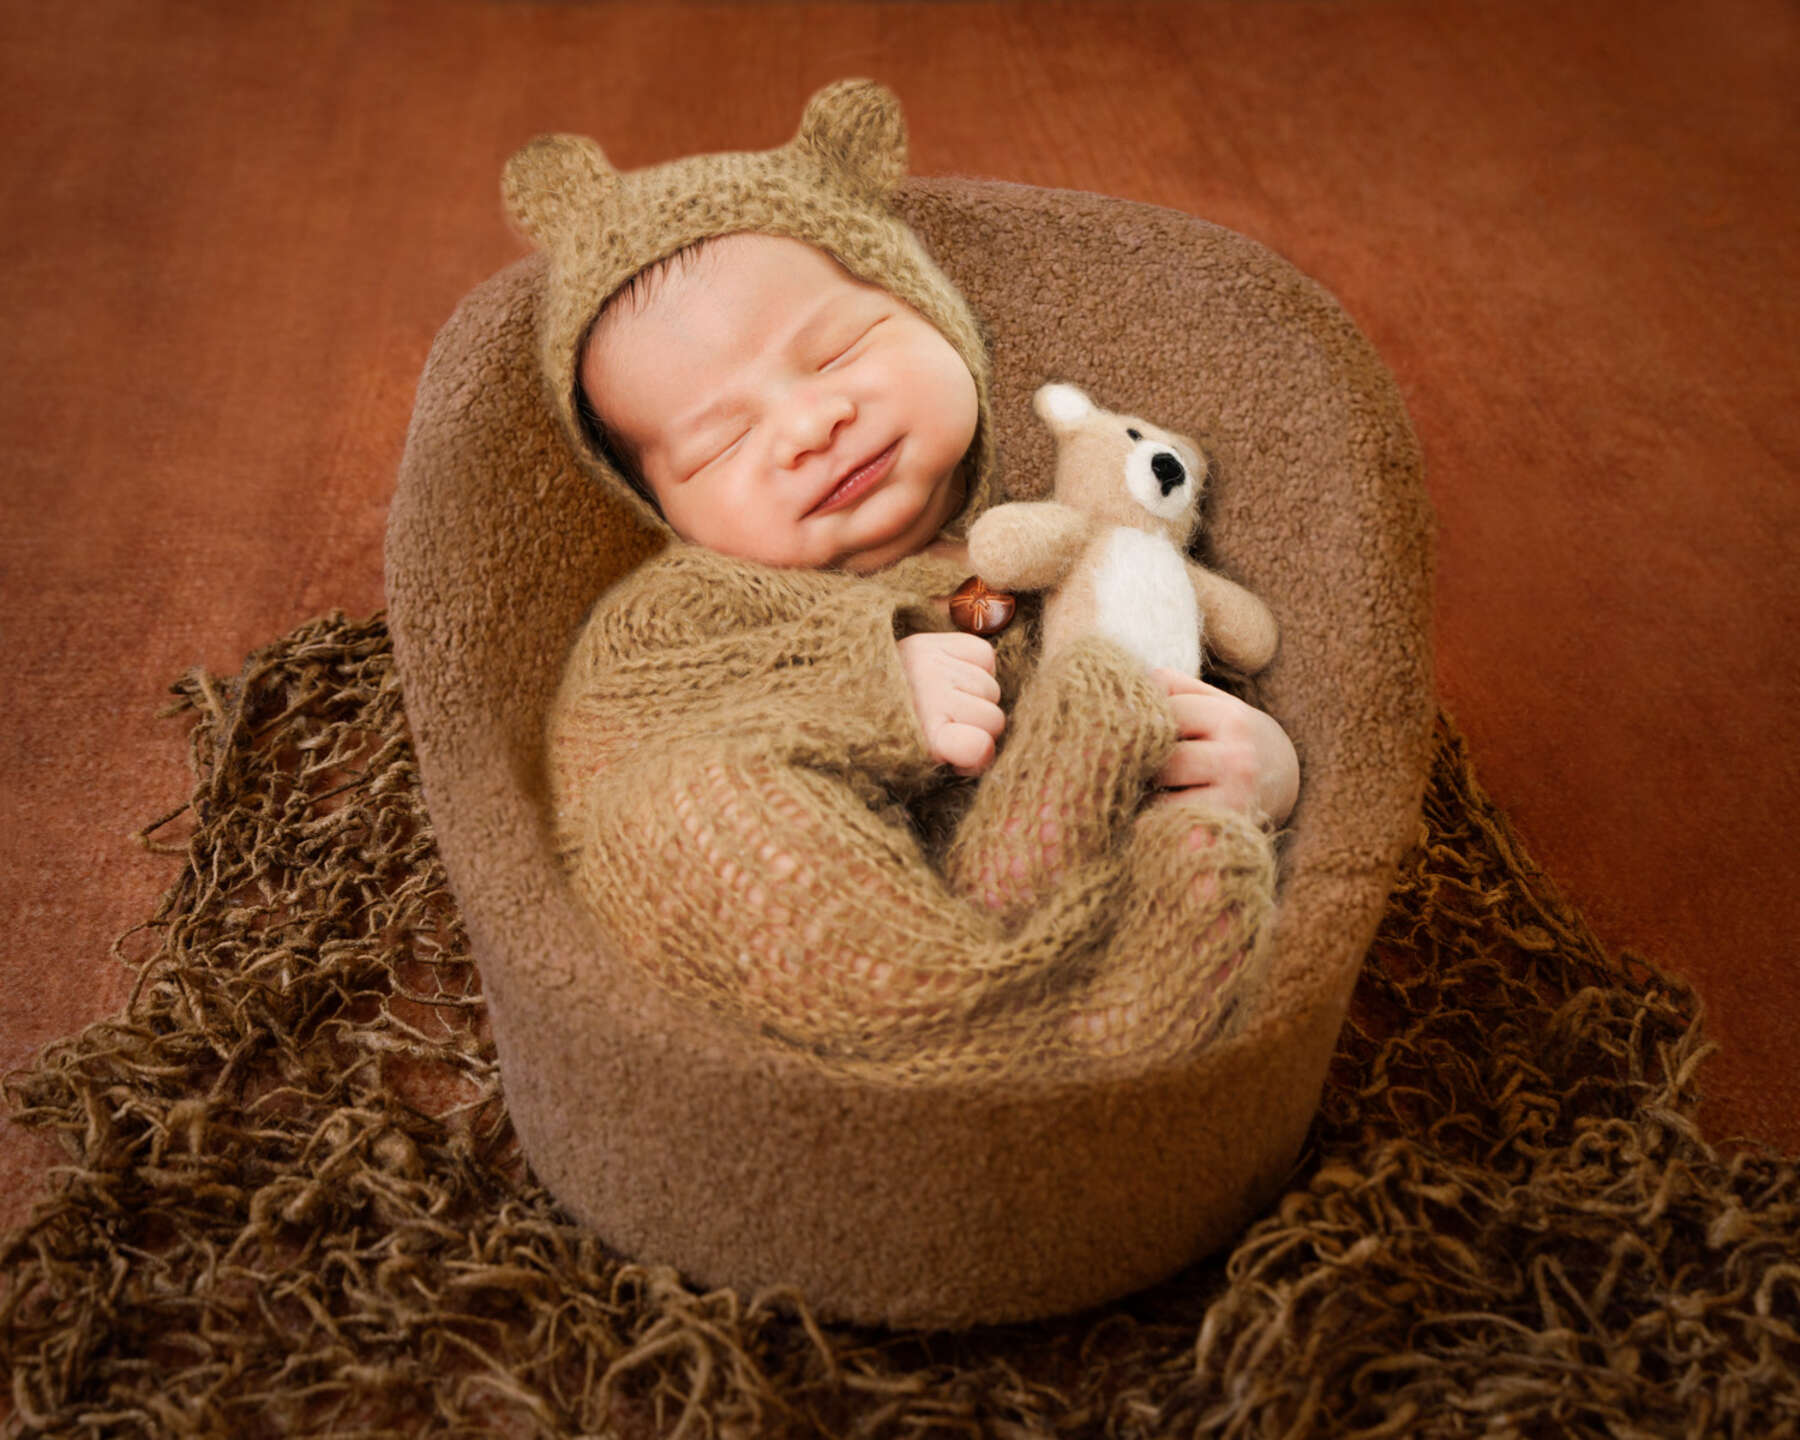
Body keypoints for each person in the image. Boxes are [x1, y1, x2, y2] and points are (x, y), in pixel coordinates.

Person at [510, 80, 1298, 1073]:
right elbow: (621, 748)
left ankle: (1072, 1025)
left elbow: (1168, 667)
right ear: (665, 511)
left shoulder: (1050, 543)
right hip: (853, 926)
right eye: (723, 442)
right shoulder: (686, 605)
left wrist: (1261, 767)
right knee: (677, 810)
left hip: (1033, 874)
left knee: (1163, 793)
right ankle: (1013, 1035)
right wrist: (876, 684)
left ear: (937, 318)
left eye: (838, 350)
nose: (807, 428)